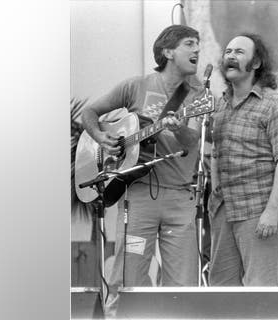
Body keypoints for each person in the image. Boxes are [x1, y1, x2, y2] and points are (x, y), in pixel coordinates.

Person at [80, 25, 204, 315]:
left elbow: (193, 140)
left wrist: (178, 127)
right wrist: (102, 139)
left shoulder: (198, 93)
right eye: (189, 44)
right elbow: (89, 114)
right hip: (138, 198)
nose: (197, 49)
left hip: (179, 197)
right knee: (128, 279)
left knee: (182, 285)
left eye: (198, 44)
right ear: (167, 51)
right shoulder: (135, 86)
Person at [207, 33, 278, 286]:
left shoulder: (274, 104)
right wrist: (215, 190)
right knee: (221, 289)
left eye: (239, 52)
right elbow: (215, 152)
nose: (230, 57)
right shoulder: (221, 105)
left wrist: (271, 211)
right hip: (225, 207)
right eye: (227, 52)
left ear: (256, 63)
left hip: (258, 205)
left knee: (260, 288)